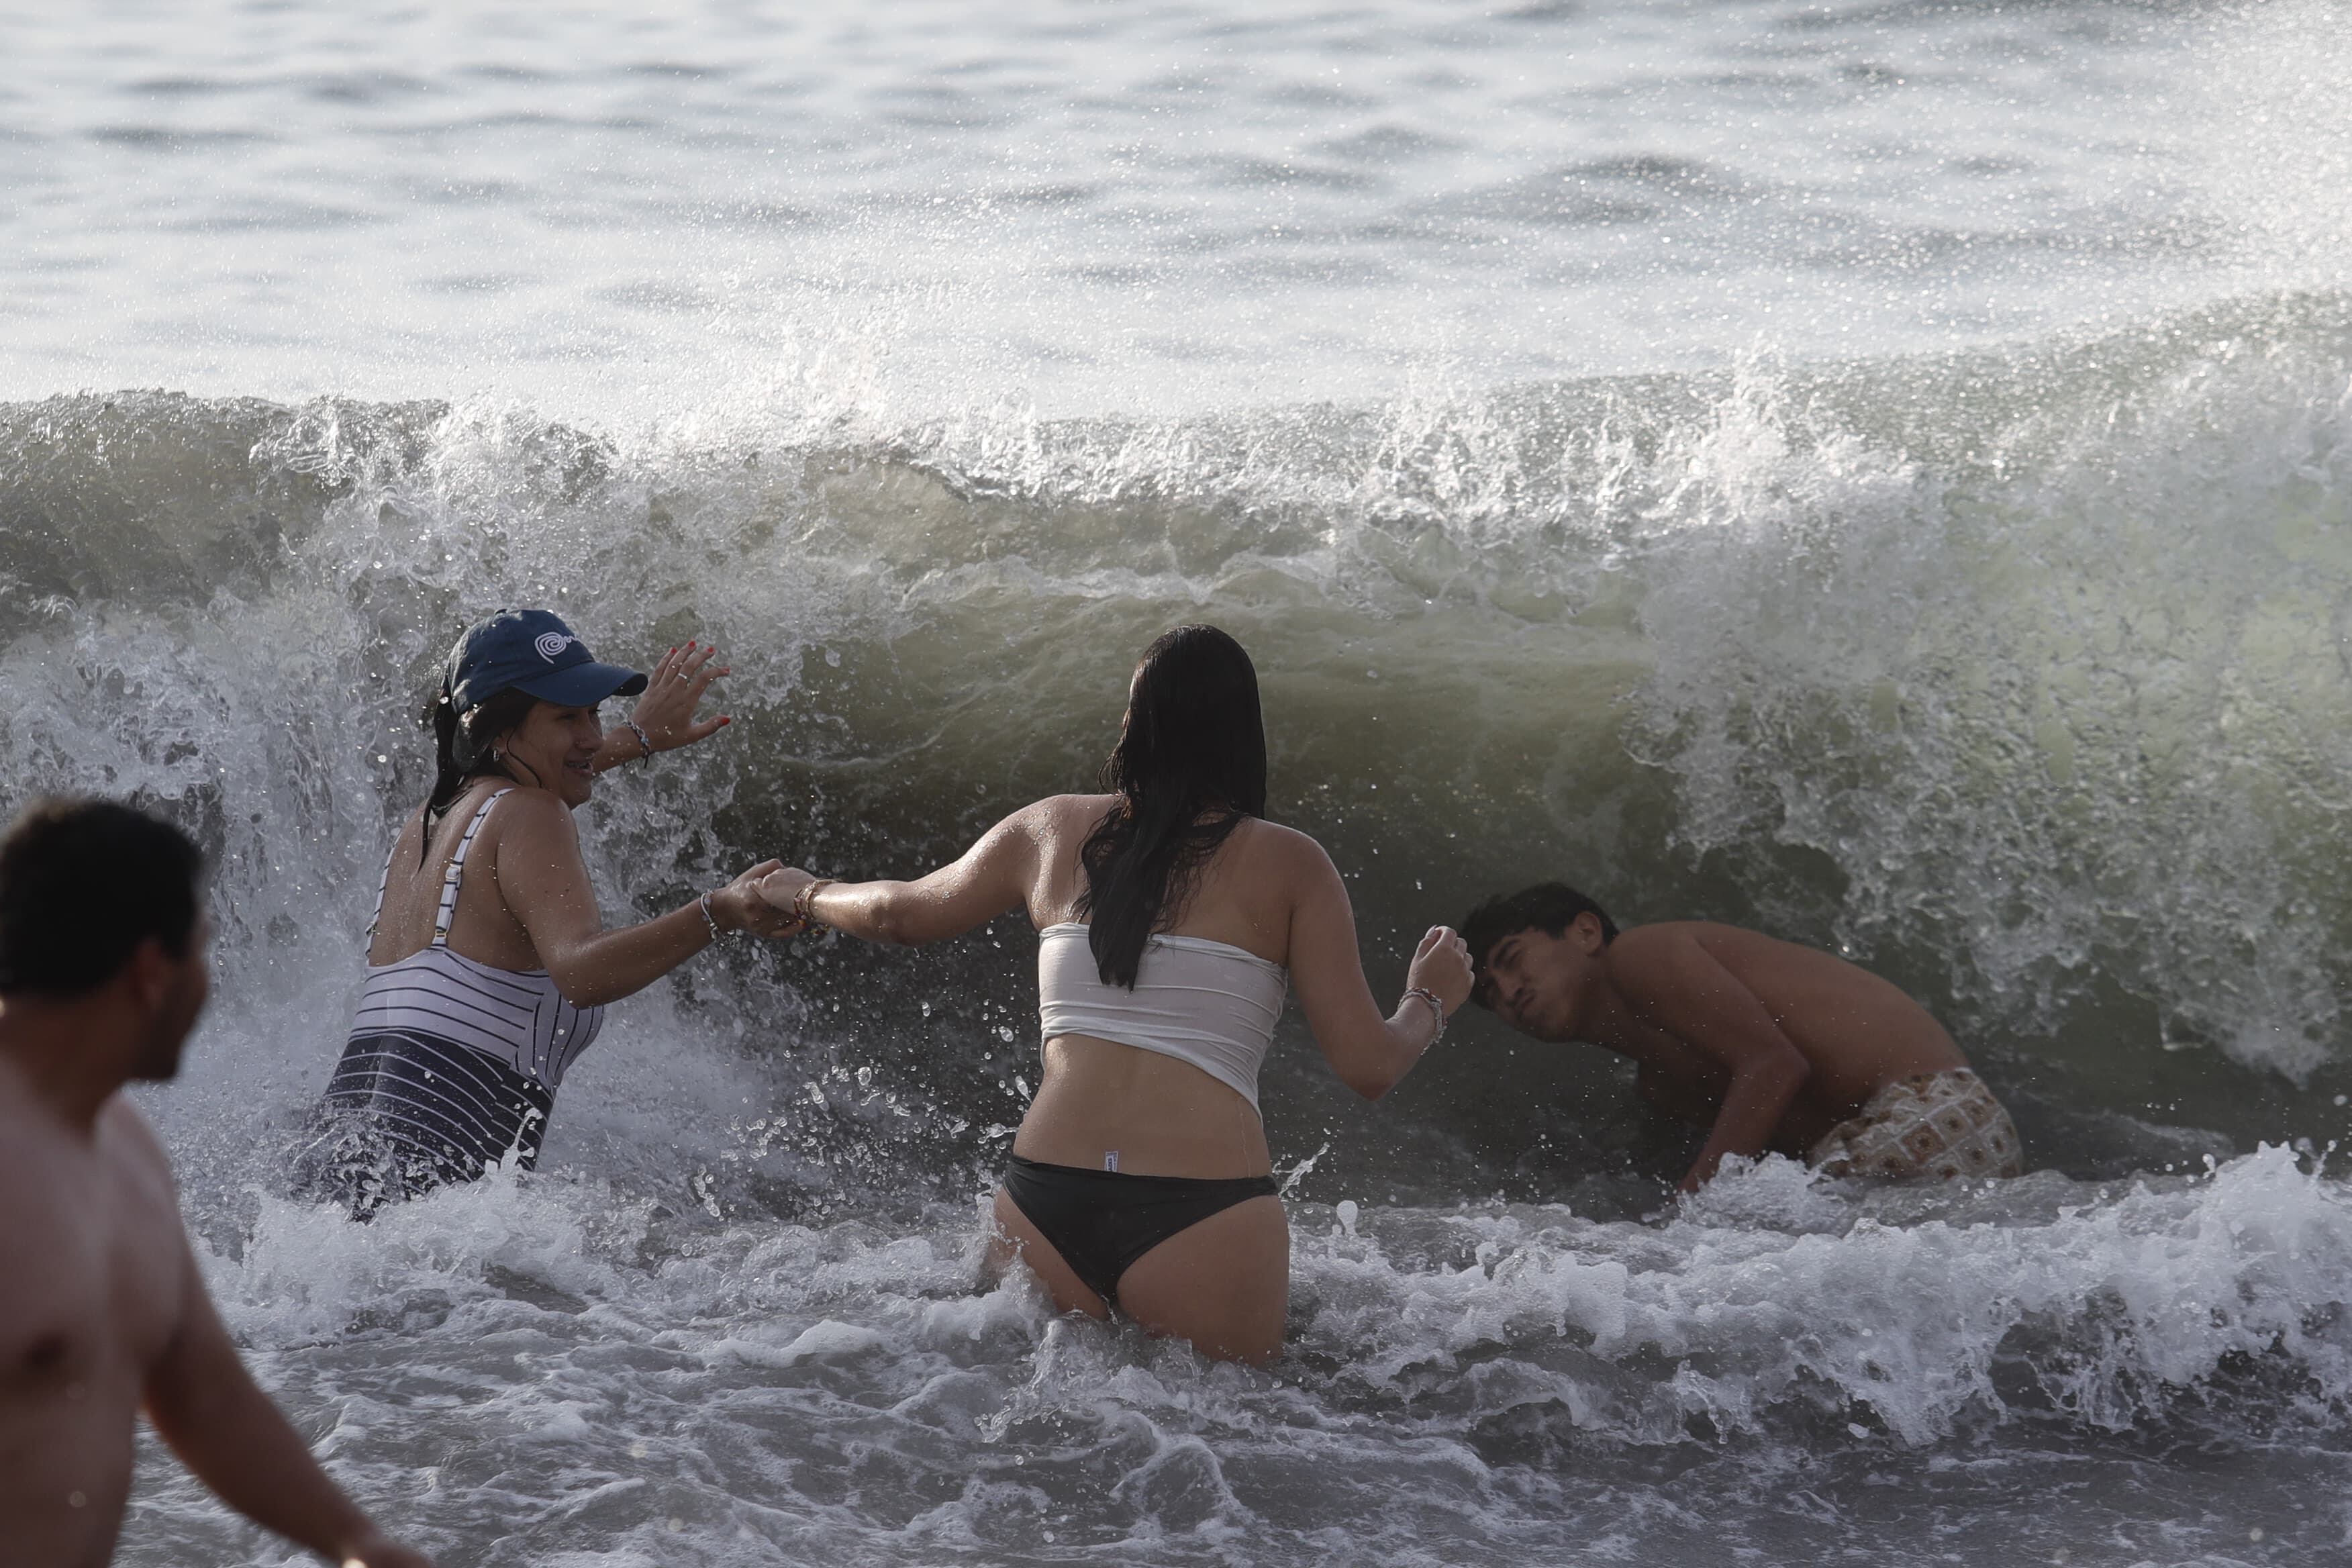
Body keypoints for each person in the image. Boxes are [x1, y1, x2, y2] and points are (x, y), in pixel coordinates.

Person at [756, 625, 1474, 1365]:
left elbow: (897, 913)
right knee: (1237, 1431)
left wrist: (802, 891)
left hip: (1041, 1207)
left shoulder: (1051, 829)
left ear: (1135, 723)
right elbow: (1368, 1065)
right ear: (1244, 734)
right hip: (1204, 1213)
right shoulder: (1292, 863)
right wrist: (1428, 1000)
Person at [0, 797, 434, 1568]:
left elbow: (205, 1396)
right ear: (150, 971)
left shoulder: (123, 1146)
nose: (207, 983)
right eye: (202, 951)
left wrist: (354, 1539)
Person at [297, 609, 798, 1215]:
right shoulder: (533, 813)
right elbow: (582, 974)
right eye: (566, 717)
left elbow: (519, 772)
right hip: (419, 1179)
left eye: (594, 714)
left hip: (335, 1168)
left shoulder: (426, 827)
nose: (592, 736)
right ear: (497, 729)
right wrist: (720, 911)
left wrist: (639, 738)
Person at [1464, 883, 2022, 1192]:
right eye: (1491, 992)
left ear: (1586, 931)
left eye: (1512, 960)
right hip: (1934, 1144)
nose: (1509, 992)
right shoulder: (1662, 1087)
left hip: (1932, 1109)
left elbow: (1775, 1064)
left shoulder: (1640, 954)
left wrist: (1692, 1206)